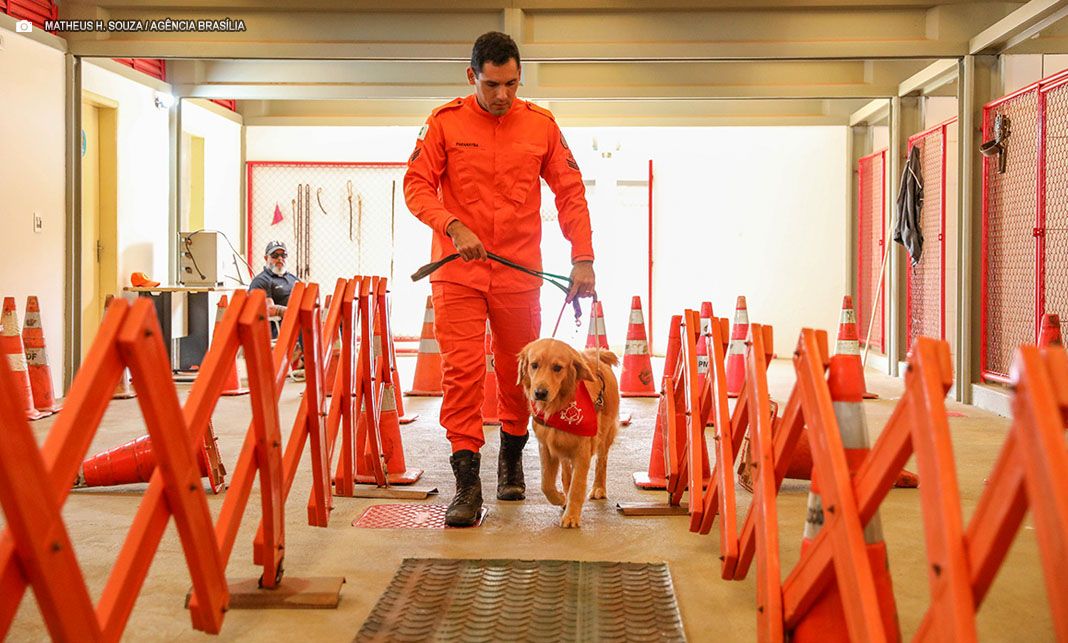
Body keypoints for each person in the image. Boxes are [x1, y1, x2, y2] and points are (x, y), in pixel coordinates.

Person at [404, 31, 596, 527]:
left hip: (519, 274)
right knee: (462, 375)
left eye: (512, 83)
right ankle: (467, 482)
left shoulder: (541, 126)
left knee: (522, 379)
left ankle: (512, 458)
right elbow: (417, 185)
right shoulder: (444, 124)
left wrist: (583, 257)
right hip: (458, 273)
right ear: (472, 76)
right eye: (492, 84)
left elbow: (570, 191)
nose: (503, 95)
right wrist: (452, 224)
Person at [248, 240, 304, 379]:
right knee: (306, 322)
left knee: (335, 319)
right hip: (278, 326)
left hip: (298, 319)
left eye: (283, 255)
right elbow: (268, 309)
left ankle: (332, 364)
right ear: (266, 258)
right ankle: (310, 364)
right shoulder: (262, 280)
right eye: (275, 255)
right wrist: (293, 312)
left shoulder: (293, 279)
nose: (280, 259)